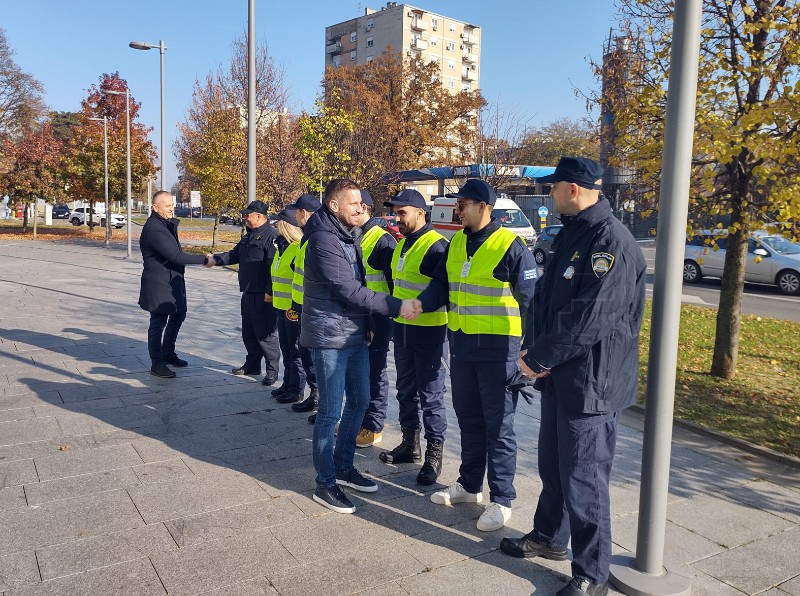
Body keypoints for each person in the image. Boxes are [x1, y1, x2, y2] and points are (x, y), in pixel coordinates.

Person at [501, 157, 646, 596]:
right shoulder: (575, 232)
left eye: (553, 187)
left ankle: (592, 573)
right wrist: (534, 347)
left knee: (584, 480)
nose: (548, 194)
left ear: (573, 189)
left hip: (592, 383)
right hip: (563, 376)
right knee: (555, 467)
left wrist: (536, 359)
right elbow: (550, 299)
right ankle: (549, 537)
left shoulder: (610, 242)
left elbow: (590, 318)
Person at [416, 179, 537, 532]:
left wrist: (529, 354)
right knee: (468, 420)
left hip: (500, 353)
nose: (458, 209)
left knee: (499, 427)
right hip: (464, 348)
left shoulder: (511, 246)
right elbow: (442, 285)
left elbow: (532, 302)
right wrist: (421, 303)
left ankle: (502, 500)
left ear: (484, 207)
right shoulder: (456, 243)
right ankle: (470, 486)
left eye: (464, 204)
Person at [301, 178, 418, 514]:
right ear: (334, 206)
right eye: (354, 203)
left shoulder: (346, 235)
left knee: (361, 400)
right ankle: (325, 483)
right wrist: (398, 306)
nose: (362, 208)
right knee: (329, 411)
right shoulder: (323, 239)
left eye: (363, 204)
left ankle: (343, 466)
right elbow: (348, 289)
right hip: (330, 338)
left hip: (354, 333)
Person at [379, 189, 449, 486]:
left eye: (402, 212)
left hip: (431, 332)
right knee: (405, 390)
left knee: (431, 396)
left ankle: (434, 455)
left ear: (421, 212)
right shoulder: (402, 245)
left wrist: (421, 307)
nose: (397, 218)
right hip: (403, 331)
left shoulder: (437, 247)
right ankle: (410, 445)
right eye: (396, 212)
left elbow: (442, 290)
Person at [207, 200, 280, 386]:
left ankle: (272, 370)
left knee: (265, 334)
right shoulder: (249, 235)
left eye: (248, 215)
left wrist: (269, 291)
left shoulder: (271, 237)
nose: (245, 217)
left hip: (262, 294)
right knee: (249, 332)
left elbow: (273, 267)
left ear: (259, 216)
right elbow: (234, 254)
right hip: (248, 291)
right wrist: (215, 259)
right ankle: (252, 364)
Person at [138, 191, 208, 378]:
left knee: (179, 314)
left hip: (172, 280)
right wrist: (205, 259)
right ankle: (157, 363)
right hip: (159, 284)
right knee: (158, 322)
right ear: (155, 207)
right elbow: (175, 256)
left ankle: (168, 352)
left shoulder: (164, 224)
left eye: (172, 205)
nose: (172, 208)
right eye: (167, 205)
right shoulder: (154, 228)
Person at [353, 189, 396, 448]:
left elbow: (392, 285)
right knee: (360, 370)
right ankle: (360, 419)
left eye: (355, 206)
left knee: (376, 371)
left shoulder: (382, 241)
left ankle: (373, 425)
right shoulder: (356, 236)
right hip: (359, 314)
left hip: (377, 316)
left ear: (365, 209)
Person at [270, 206, 317, 406]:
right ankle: (289, 384)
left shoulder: (298, 247)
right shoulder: (281, 247)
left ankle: (297, 388)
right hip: (281, 305)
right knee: (287, 348)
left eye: (278, 223)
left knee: (296, 350)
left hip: (293, 307)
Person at [279, 194, 322, 414]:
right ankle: (315, 395)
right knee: (304, 353)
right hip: (301, 307)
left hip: (313, 310)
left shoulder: (317, 238)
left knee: (314, 357)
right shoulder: (308, 238)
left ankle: (320, 400)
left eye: (297, 211)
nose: (295, 215)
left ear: (304, 213)